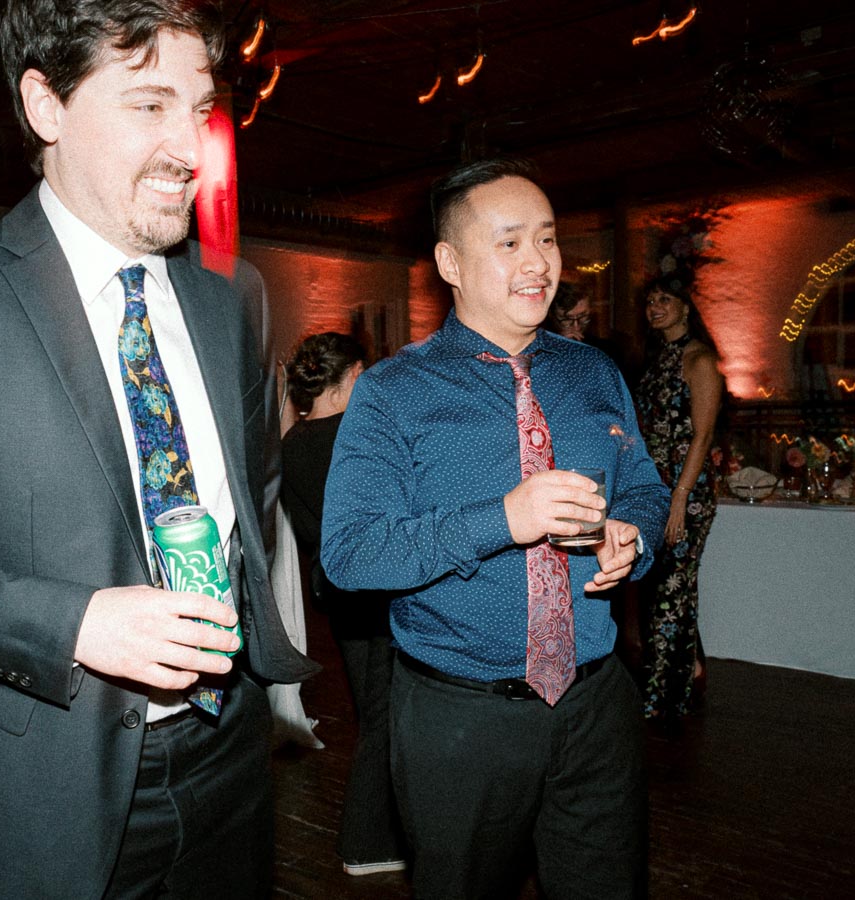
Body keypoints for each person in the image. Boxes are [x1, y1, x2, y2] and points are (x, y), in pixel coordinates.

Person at [0, 2, 317, 898]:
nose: (191, 150)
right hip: (33, 792)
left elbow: (253, 498)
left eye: (198, 109)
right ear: (45, 106)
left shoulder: (232, 299)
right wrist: (73, 623)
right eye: (148, 104)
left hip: (229, 761)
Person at [320, 157, 669, 900]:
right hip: (461, 718)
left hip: (598, 702)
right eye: (509, 243)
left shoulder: (594, 374)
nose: (537, 263)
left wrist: (631, 537)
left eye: (546, 240)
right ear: (450, 261)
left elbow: (641, 484)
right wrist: (505, 519)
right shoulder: (393, 392)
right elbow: (350, 555)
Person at [280, 332, 406, 877]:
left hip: (340, 594)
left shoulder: (290, 445)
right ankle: (365, 842)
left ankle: (382, 834)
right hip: (383, 593)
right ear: (355, 373)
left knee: (373, 711)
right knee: (386, 717)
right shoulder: (359, 437)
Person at [636, 281, 723, 723]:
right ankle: (688, 666)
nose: (654, 307)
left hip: (687, 491)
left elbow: (702, 435)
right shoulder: (655, 362)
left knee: (672, 587)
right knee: (659, 587)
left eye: (663, 299)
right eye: (649, 301)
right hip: (655, 489)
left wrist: (679, 500)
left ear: (686, 306)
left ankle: (663, 695)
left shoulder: (700, 359)